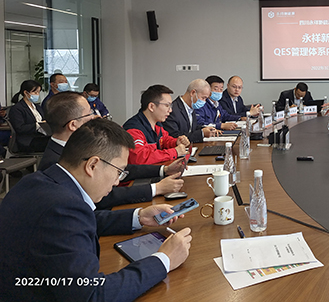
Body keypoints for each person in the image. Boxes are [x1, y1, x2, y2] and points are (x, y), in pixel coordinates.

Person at [0, 118, 192, 301]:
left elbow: (77, 223)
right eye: (118, 172)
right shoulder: (62, 209)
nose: (117, 181)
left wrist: (139, 217)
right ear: (92, 165)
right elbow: (93, 295)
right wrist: (164, 259)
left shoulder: (37, 182)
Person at [40, 92, 185, 210]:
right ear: (73, 125)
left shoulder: (78, 146)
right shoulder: (54, 164)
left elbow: (119, 168)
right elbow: (101, 199)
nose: (95, 117)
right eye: (89, 115)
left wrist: (163, 170)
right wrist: (155, 189)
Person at [123, 84, 190, 165]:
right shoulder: (134, 129)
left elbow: (164, 140)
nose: (170, 110)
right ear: (151, 107)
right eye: (167, 105)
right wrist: (175, 152)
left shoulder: (157, 124)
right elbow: (140, 158)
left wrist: (176, 142)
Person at [8, 79, 50, 153]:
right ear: (26, 92)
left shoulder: (37, 107)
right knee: (53, 144)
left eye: (38, 92)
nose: (37, 94)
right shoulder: (17, 108)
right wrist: (38, 125)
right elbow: (20, 128)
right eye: (35, 92)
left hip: (40, 136)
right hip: (27, 140)